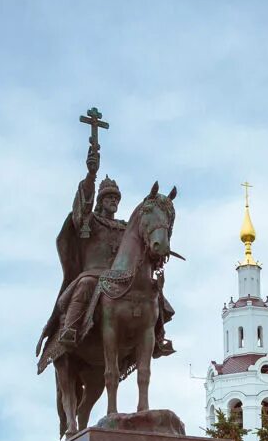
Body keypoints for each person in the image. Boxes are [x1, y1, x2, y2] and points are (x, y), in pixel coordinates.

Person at [39, 141, 174, 364]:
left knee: (153, 292)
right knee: (85, 285)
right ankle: (70, 329)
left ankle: (158, 337)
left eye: (116, 198)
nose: (113, 201)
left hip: (122, 276)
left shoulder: (125, 228)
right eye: (109, 197)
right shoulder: (90, 222)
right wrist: (91, 177)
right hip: (94, 273)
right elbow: (80, 211)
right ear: (101, 201)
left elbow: (140, 249)